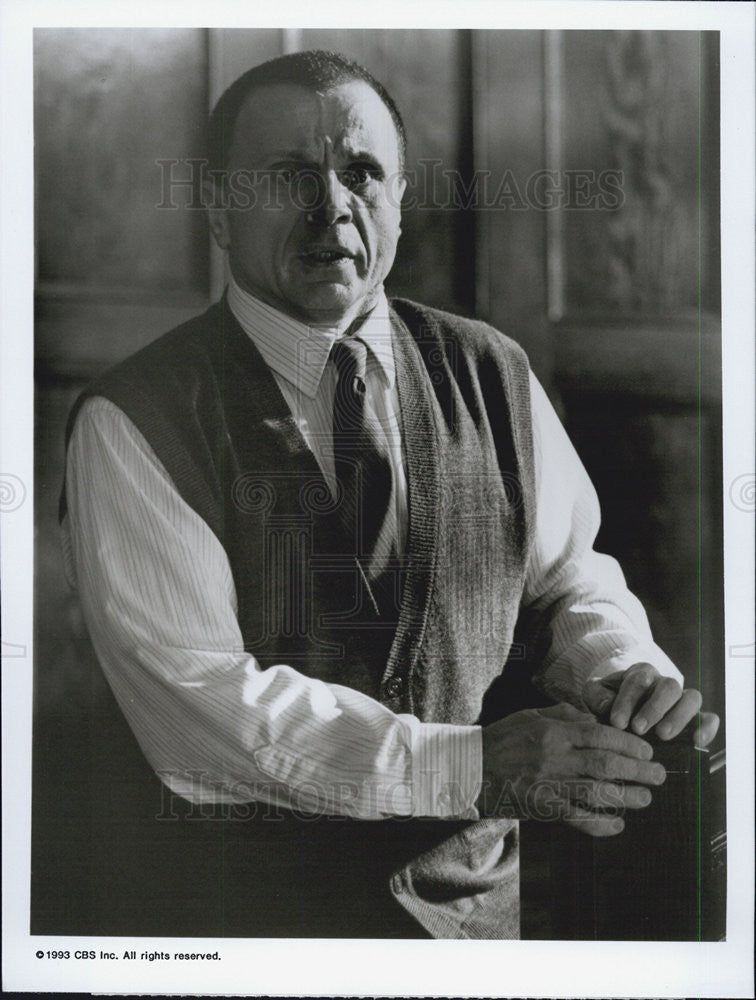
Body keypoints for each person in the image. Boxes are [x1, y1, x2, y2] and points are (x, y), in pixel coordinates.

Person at [60, 49, 719, 939]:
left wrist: (620, 676)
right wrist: (468, 764)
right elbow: (200, 705)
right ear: (217, 209)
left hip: (482, 937)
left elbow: (568, 580)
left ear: (399, 203)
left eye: (361, 172)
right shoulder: (137, 418)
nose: (331, 203)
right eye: (288, 174)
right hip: (250, 940)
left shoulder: (492, 370)